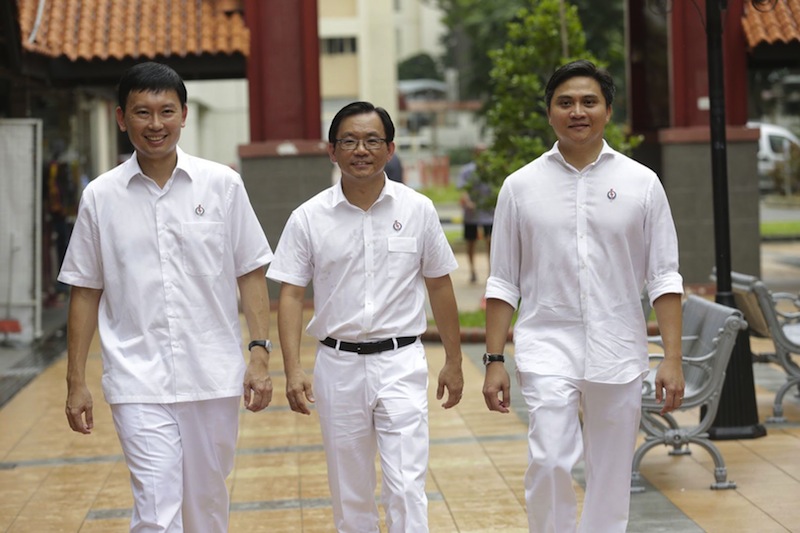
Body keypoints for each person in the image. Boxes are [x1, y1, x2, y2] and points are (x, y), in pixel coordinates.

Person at [59, 62, 275, 532]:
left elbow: (251, 272)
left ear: (184, 115)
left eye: (166, 111)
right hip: (136, 377)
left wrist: (259, 354)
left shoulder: (222, 185)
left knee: (206, 505)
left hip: (212, 375)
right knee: (156, 512)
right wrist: (76, 380)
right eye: (142, 112)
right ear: (121, 118)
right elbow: (85, 290)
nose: (155, 124)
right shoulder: (100, 197)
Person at [482, 60, 685, 532]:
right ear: (550, 112)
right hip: (547, 345)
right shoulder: (520, 187)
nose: (578, 111)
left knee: (611, 472)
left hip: (619, 346)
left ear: (608, 111)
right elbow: (503, 281)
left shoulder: (642, 183)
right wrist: (494, 360)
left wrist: (672, 358)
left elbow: (664, 277)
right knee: (550, 458)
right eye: (566, 102)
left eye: (589, 102)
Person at [268, 101, 464, 532]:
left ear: (390, 149)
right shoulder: (308, 217)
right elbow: (291, 294)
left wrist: (453, 360)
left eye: (373, 140)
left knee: (406, 485)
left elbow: (439, 285)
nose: (361, 150)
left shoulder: (418, 209)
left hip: (401, 361)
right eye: (350, 141)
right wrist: (293, 368)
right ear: (331, 150)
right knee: (350, 489)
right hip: (337, 366)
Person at [457, 144, 493, 283]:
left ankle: (491, 271)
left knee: (490, 241)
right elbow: (463, 189)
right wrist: (468, 202)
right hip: (471, 213)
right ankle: (472, 270)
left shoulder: (492, 169)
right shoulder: (467, 170)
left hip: (489, 212)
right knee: (471, 241)